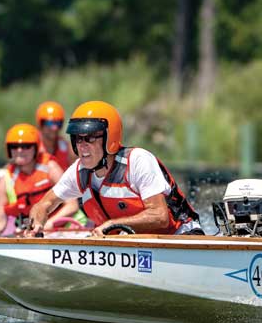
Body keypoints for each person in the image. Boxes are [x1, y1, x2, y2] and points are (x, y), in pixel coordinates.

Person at [26, 100, 202, 237]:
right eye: (78, 139)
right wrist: (37, 224)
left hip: (180, 238)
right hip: (128, 247)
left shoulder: (137, 161)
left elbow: (160, 216)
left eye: (90, 138)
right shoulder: (79, 171)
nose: (82, 146)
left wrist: (112, 224)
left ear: (109, 138)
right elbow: (44, 204)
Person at [0, 123, 79, 235]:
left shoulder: (50, 168)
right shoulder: (5, 181)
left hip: (68, 229)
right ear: (9, 150)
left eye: (26, 146)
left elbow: (72, 205)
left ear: (36, 148)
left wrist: (49, 224)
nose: (19, 151)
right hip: (35, 234)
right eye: (14, 146)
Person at [35, 101, 76, 170]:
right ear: (40, 124)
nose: (55, 128)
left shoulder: (67, 148)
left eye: (58, 123)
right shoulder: (31, 147)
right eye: (50, 123)